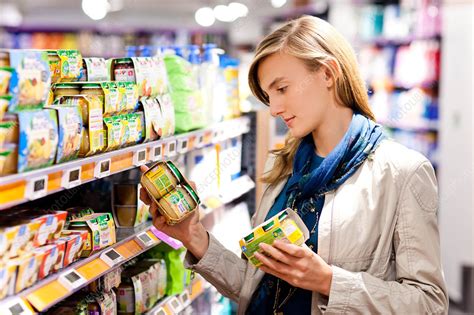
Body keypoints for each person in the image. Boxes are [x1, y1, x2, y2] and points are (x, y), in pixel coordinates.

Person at [140, 15, 448, 314]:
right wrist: (192, 234)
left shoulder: (402, 172)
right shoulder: (285, 167)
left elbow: (429, 303)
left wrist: (328, 281)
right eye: (268, 96)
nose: (273, 109)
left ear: (328, 73)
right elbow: (254, 286)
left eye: (282, 89)